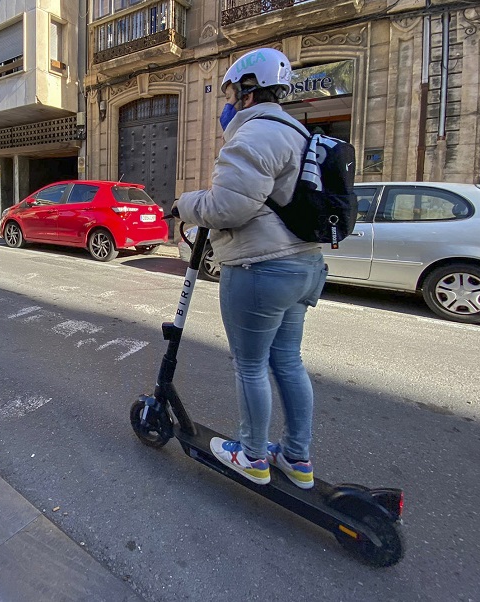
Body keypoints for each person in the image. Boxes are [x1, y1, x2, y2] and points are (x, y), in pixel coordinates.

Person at [173, 48, 328, 489]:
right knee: (288, 361)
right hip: (303, 265)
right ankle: (297, 458)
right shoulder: (299, 133)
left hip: (262, 268)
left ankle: (253, 455)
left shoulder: (257, 134)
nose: (226, 103)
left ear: (247, 89)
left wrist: (183, 204)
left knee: (251, 365)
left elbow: (228, 207)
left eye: (229, 93)